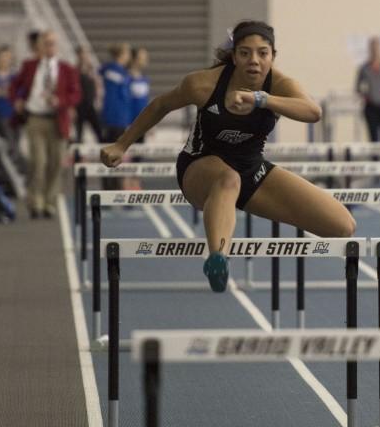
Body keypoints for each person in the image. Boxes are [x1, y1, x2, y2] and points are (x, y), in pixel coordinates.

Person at [100, 20, 356, 292]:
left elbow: (312, 112)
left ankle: (228, 211)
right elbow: (161, 104)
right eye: (245, 53)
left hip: (251, 170)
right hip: (199, 167)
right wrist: (121, 145)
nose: (254, 61)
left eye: (262, 53)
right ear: (234, 56)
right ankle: (217, 259)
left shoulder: (279, 84)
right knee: (228, 179)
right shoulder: (204, 84)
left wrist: (260, 99)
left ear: (273, 56)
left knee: (342, 226)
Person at [8, 31, 81, 219]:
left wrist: (60, 101)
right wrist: (16, 100)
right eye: (46, 43)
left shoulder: (66, 69)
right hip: (35, 119)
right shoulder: (29, 66)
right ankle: (36, 201)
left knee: (56, 163)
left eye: (53, 44)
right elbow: (14, 86)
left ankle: (50, 202)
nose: (49, 47)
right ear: (39, 46)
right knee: (38, 162)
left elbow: (76, 94)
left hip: (58, 120)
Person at [100, 43, 133, 143]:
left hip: (121, 116)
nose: (129, 56)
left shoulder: (123, 72)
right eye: (127, 53)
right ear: (121, 55)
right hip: (114, 115)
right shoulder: (111, 70)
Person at [74, 45, 103, 143]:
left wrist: (98, 99)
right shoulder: (75, 70)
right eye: (82, 54)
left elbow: (97, 85)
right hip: (79, 105)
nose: (84, 56)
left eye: (86, 54)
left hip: (91, 104)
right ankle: (77, 156)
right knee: (79, 133)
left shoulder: (92, 69)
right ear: (78, 55)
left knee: (99, 131)